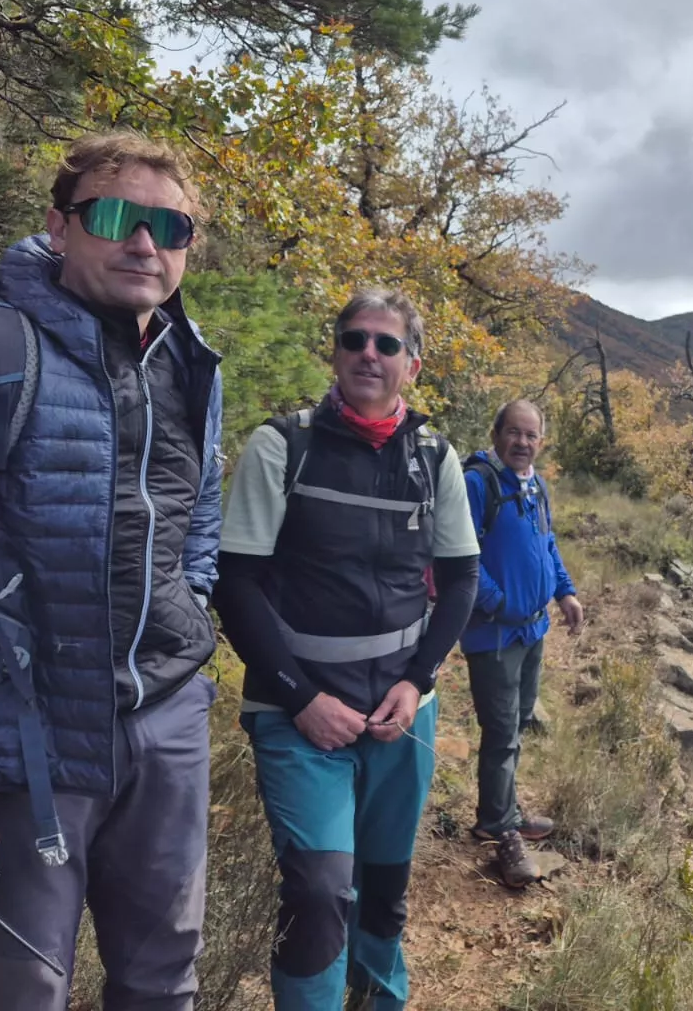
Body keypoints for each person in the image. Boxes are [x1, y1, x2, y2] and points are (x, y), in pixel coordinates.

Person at [0, 132, 225, 1008]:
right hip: (21, 749)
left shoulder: (185, 359)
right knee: (23, 995)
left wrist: (187, 608)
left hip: (164, 730)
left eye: (169, 226)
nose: (145, 242)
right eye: (116, 216)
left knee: (164, 984)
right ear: (60, 228)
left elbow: (196, 516)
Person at [214, 288, 480, 1011]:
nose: (369, 352)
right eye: (354, 338)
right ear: (334, 352)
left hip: (402, 712)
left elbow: (460, 582)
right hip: (299, 712)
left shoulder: (435, 458)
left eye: (387, 344)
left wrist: (417, 679)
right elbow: (234, 582)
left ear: (412, 366)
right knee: (319, 889)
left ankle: (378, 999)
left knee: (385, 887)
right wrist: (300, 699)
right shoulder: (282, 446)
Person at [460, 399, 584, 888]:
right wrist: (498, 603)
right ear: (496, 434)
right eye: (514, 432)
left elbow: (547, 545)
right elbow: (459, 555)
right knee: (502, 730)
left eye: (531, 435)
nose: (522, 442)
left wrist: (566, 592)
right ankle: (498, 826)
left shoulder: (536, 487)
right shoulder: (478, 484)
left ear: (541, 441)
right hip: (493, 634)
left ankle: (503, 807)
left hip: (533, 631)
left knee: (519, 721)